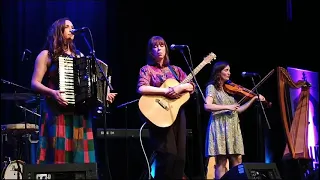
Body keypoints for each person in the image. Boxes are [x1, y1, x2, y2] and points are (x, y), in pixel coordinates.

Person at [31, 17, 117, 164]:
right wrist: (53, 93)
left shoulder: (80, 56)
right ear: (58, 31)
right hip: (57, 111)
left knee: (81, 160)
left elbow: (90, 85)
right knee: (58, 158)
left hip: (79, 114)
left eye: (72, 26)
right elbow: (34, 83)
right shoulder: (46, 55)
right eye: (67, 26)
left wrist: (103, 95)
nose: (72, 29)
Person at [137, 36, 195, 179]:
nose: (159, 49)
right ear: (150, 51)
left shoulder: (175, 70)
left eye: (161, 45)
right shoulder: (147, 69)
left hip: (177, 113)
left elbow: (191, 85)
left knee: (180, 155)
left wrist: (180, 87)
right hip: (159, 114)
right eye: (155, 47)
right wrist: (165, 91)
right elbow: (142, 88)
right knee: (167, 154)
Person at [204, 61, 265, 179]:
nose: (229, 73)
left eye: (229, 70)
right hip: (220, 126)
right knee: (221, 162)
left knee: (237, 160)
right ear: (218, 72)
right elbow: (207, 106)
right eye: (226, 70)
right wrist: (228, 107)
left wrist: (253, 99)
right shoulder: (212, 88)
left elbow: (238, 110)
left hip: (233, 127)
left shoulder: (229, 90)